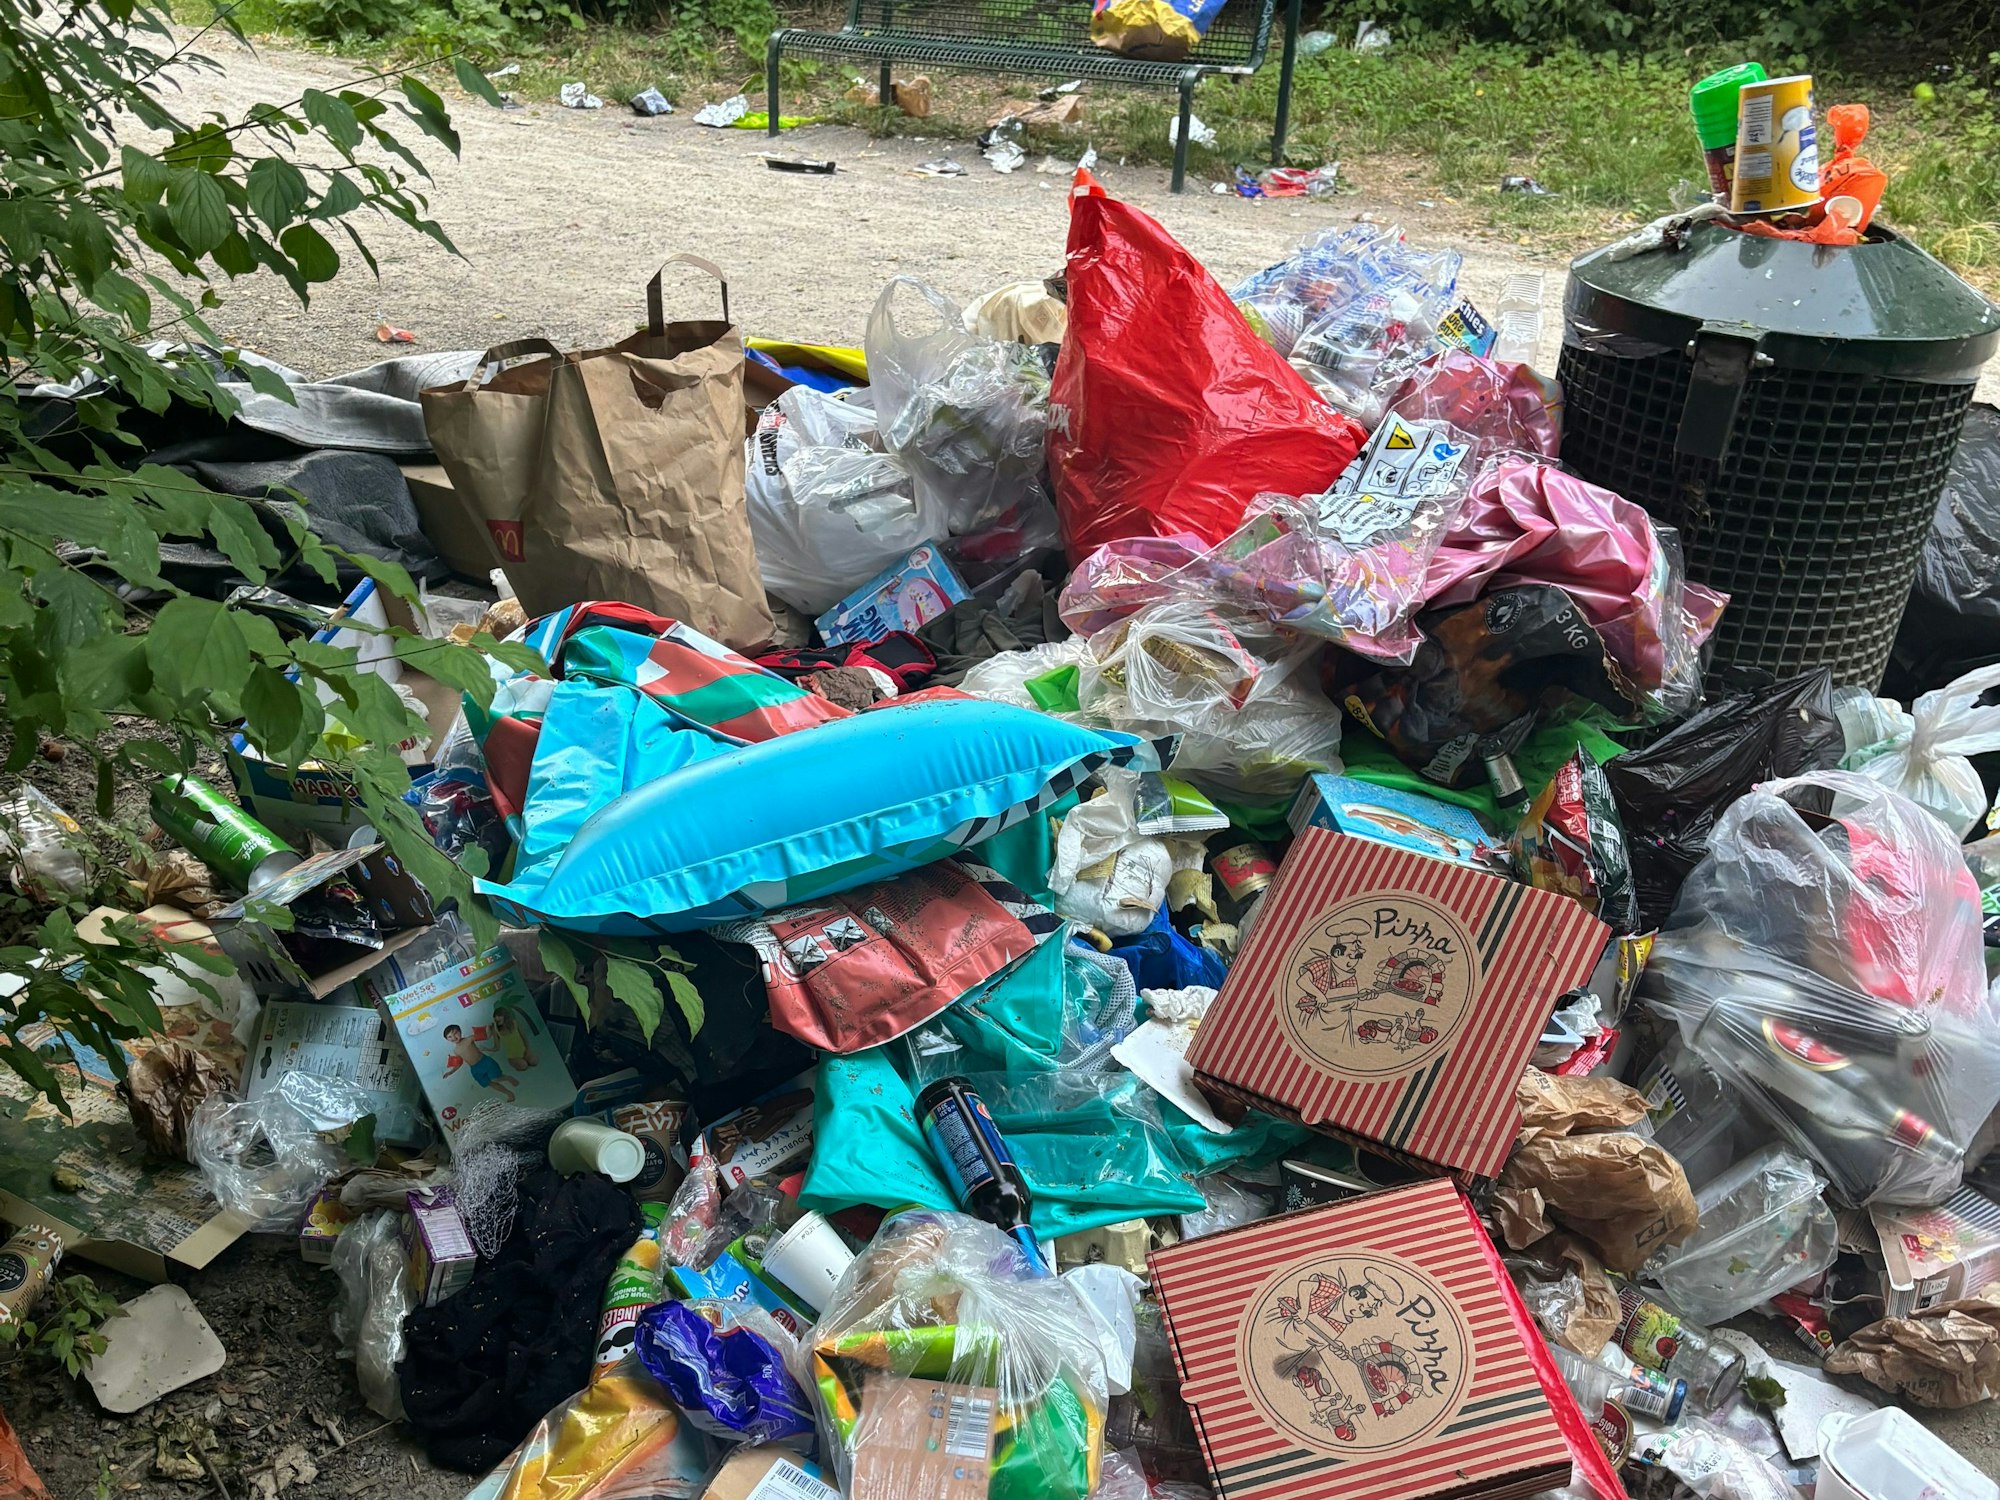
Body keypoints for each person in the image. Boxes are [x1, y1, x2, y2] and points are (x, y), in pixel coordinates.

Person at [441, 1022, 518, 1102]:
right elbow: (459, 1063)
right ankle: (509, 1093)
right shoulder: (456, 1051)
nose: (453, 1037)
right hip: (475, 1069)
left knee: (495, 1079)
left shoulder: (469, 1039)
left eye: (455, 1033)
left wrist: (488, 1029)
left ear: (460, 1031)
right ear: (447, 1039)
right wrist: (450, 1072)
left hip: (485, 1062)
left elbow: (486, 1036)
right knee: (490, 1083)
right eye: (450, 1036)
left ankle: (508, 1078)